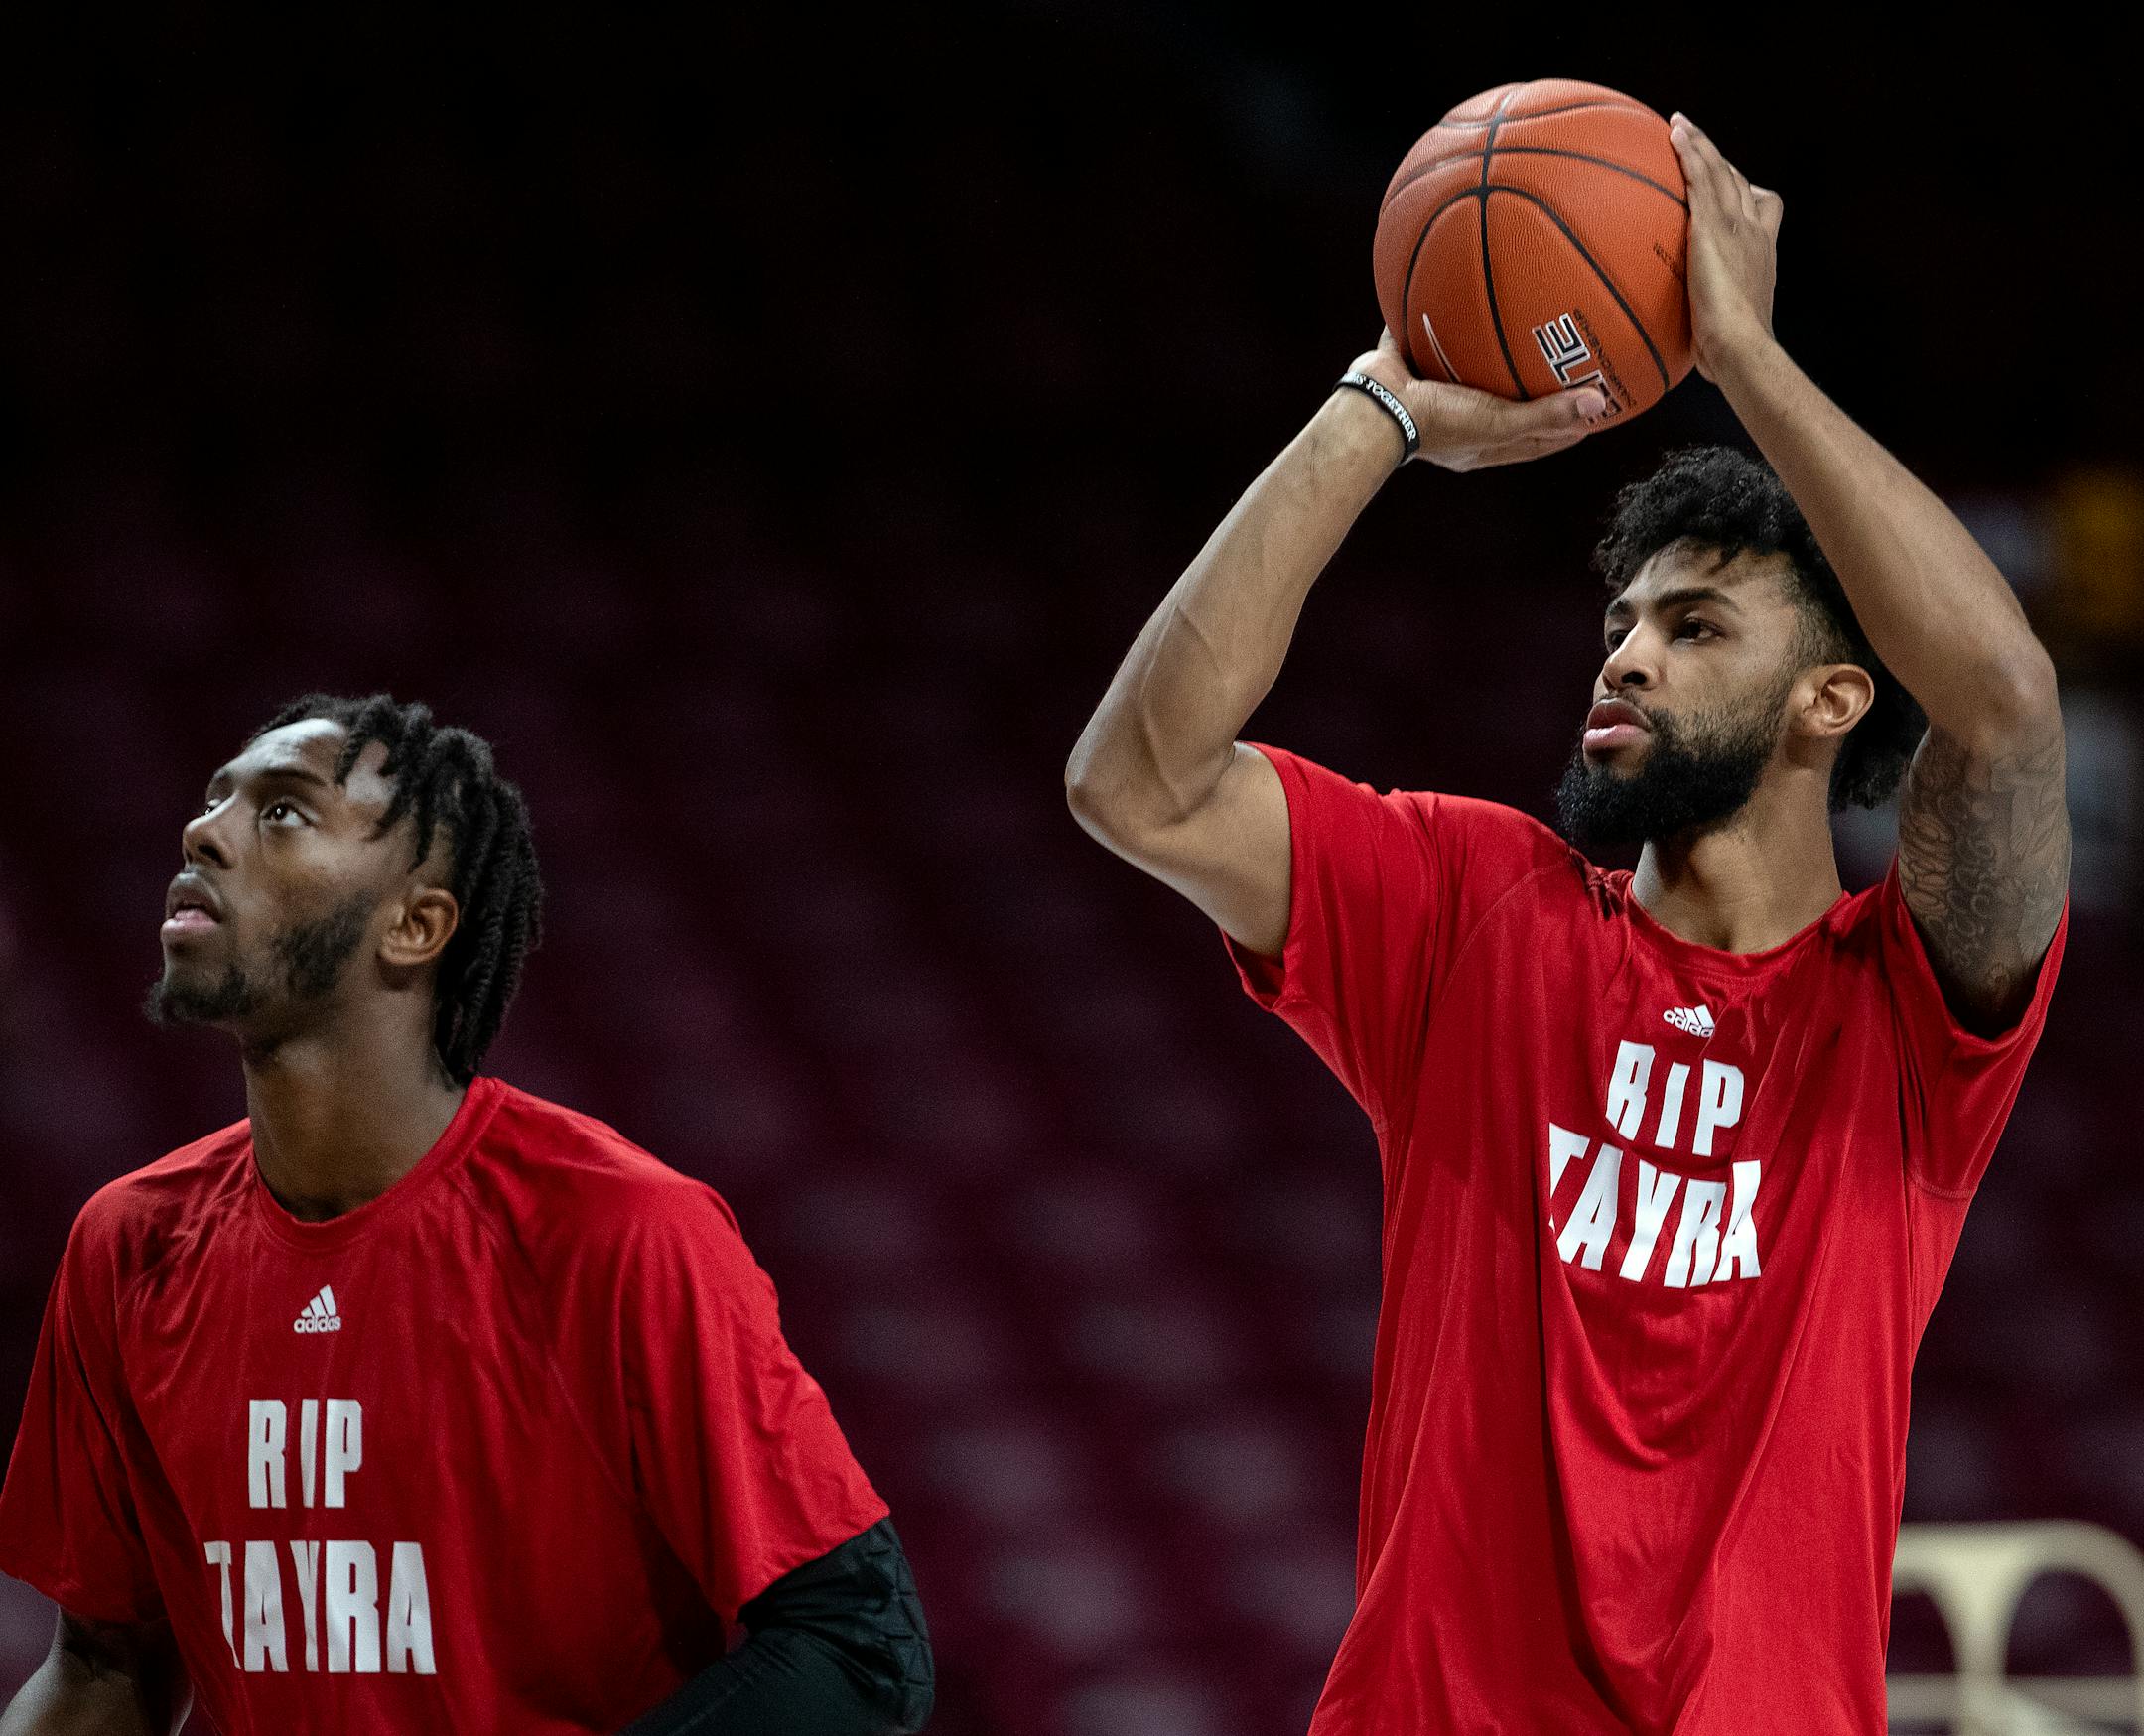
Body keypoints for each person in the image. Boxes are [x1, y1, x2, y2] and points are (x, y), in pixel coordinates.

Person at [1065, 114, 2069, 1734]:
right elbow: (1140, 780)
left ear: (1833, 694)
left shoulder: (1910, 1014)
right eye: (1617, 619)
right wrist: (1375, 408)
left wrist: (1739, 354)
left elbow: (2007, 704)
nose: (1623, 655)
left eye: (1692, 623)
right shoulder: (1480, 904)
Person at [0, 694, 933, 1735]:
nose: (202, 829)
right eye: (215, 798)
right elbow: (100, 1663)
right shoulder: (130, 1244)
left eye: (283, 811)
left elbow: (859, 1646)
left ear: (416, 925)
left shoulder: (621, 1230)